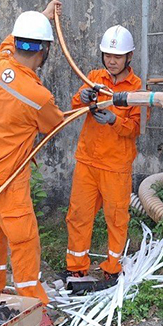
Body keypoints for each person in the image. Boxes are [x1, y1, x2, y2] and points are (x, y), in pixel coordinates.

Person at [0, 1, 64, 326]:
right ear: (44, 52)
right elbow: (53, 124)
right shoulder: (38, 95)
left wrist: (41, 17)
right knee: (24, 239)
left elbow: (13, 39)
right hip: (6, 176)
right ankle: (33, 306)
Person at [63, 25, 147, 282]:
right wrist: (83, 96)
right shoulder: (94, 77)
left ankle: (113, 268)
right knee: (78, 214)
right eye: (108, 55)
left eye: (117, 56)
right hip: (87, 161)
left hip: (116, 165)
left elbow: (136, 128)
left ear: (128, 57)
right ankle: (76, 266)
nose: (112, 61)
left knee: (117, 217)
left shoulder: (136, 88)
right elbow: (75, 105)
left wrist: (114, 120)